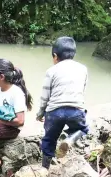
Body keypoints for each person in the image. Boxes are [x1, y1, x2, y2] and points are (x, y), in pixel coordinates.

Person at [36, 36, 89, 169]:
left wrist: (40, 113)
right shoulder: (83, 69)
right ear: (74, 54)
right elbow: (82, 90)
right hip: (75, 110)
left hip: (55, 111)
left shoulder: (51, 71)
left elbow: (45, 96)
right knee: (83, 129)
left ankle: (44, 168)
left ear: (55, 55)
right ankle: (70, 139)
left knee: (49, 139)